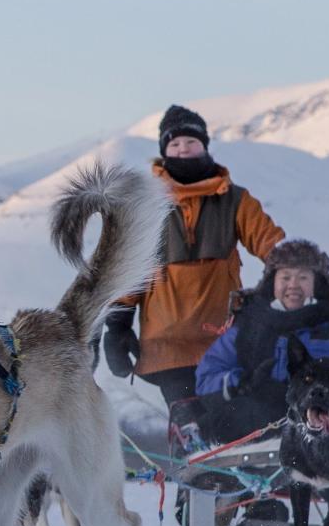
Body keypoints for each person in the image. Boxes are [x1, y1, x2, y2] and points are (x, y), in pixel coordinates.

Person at [102, 104, 284, 444]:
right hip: (167, 343)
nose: (183, 149)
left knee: (229, 425)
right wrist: (117, 324)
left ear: (205, 146)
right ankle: (198, 472)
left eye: (191, 142)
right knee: (191, 428)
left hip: (222, 339)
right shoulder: (145, 206)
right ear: (164, 151)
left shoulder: (235, 200)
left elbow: (270, 243)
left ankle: (229, 474)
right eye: (175, 144)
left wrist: (292, 273)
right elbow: (129, 266)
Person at [195, 238, 329, 445]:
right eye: (285, 277)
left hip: (324, 421)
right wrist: (242, 383)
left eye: (303, 277)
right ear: (273, 282)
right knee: (230, 416)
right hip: (255, 423)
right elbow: (207, 376)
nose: (293, 285)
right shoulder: (249, 326)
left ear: (317, 284)